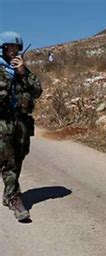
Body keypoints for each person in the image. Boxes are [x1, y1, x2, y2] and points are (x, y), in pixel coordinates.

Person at [0, 31, 42, 221]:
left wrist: (22, 73)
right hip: (3, 122)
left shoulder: (22, 69)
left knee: (19, 157)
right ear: (3, 48)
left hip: (21, 122)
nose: (14, 51)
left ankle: (9, 194)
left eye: (17, 47)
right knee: (7, 160)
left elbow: (37, 90)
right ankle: (15, 199)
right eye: (10, 47)